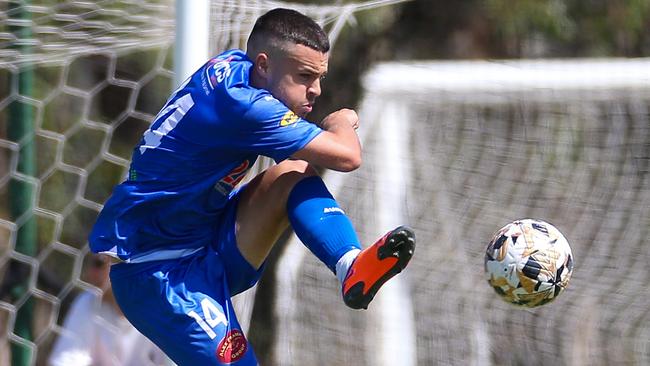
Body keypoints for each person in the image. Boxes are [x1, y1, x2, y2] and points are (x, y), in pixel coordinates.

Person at [89, 8, 415, 365]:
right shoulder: (244, 107)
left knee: (292, 173)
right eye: (305, 76)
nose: (316, 91)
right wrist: (344, 121)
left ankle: (351, 265)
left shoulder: (234, 69)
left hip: (206, 244)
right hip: (157, 275)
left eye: (320, 77)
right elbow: (347, 157)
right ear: (263, 64)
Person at [48, 254, 172, 366]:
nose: (89, 273)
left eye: (99, 263)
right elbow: (67, 360)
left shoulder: (162, 310)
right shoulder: (88, 301)